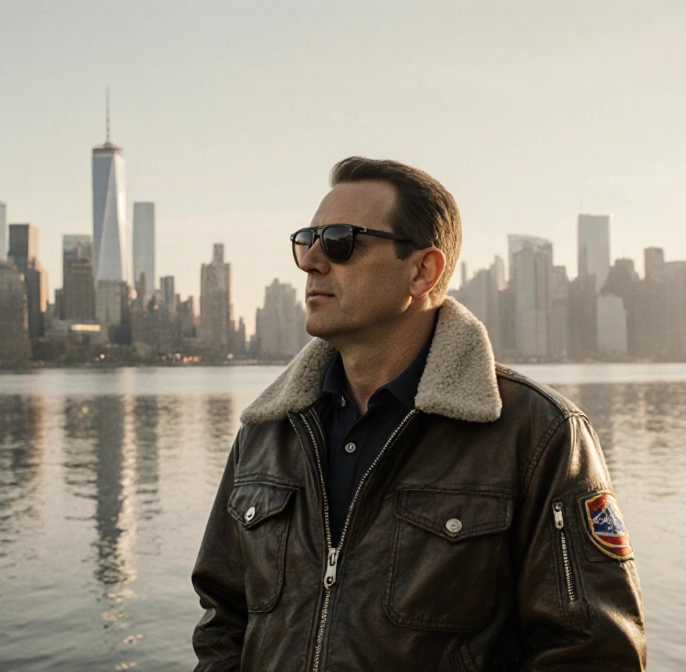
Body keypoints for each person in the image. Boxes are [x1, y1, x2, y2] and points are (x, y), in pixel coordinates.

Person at [191, 157, 646, 671]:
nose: (313, 261)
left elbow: (593, 655)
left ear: (422, 270)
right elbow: (222, 621)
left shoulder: (538, 434)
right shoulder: (268, 432)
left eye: (340, 241)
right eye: (307, 240)